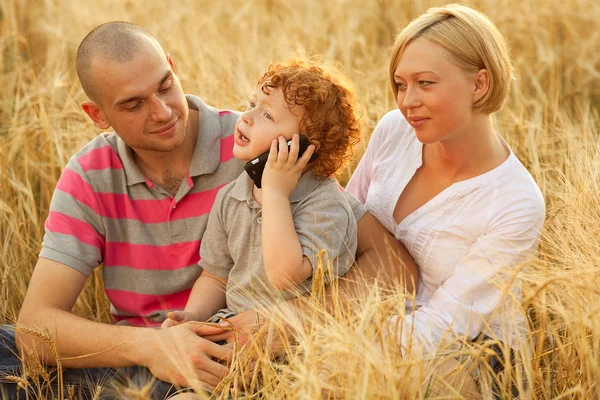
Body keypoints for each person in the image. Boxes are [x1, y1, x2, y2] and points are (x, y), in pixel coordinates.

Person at [0, 21, 416, 399]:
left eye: (165, 85)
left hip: (241, 360)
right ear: (97, 115)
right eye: (133, 104)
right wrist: (154, 348)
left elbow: (395, 266)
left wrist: (289, 320)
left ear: (172, 67)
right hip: (140, 367)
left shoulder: (264, 149)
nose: (162, 112)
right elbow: (35, 329)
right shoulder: (89, 176)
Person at [345, 4, 545, 398]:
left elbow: (444, 328)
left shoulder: (515, 202)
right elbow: (344, 225)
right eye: (401, 84)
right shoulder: (394, 131)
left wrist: (333, 333)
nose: (407, 101)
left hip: (467, 357)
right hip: (365, 322)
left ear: (479, 85)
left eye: (425, 83)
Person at [162, 58, 361, 330]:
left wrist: (275, 195)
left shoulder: (325, 205)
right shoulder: (232, 196)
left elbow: (285, 277)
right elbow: (217, 276)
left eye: (267, 115)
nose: (246, 117)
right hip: (235, 329)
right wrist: (193, 315)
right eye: (251, 105)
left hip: (298, 342)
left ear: (303, 147)